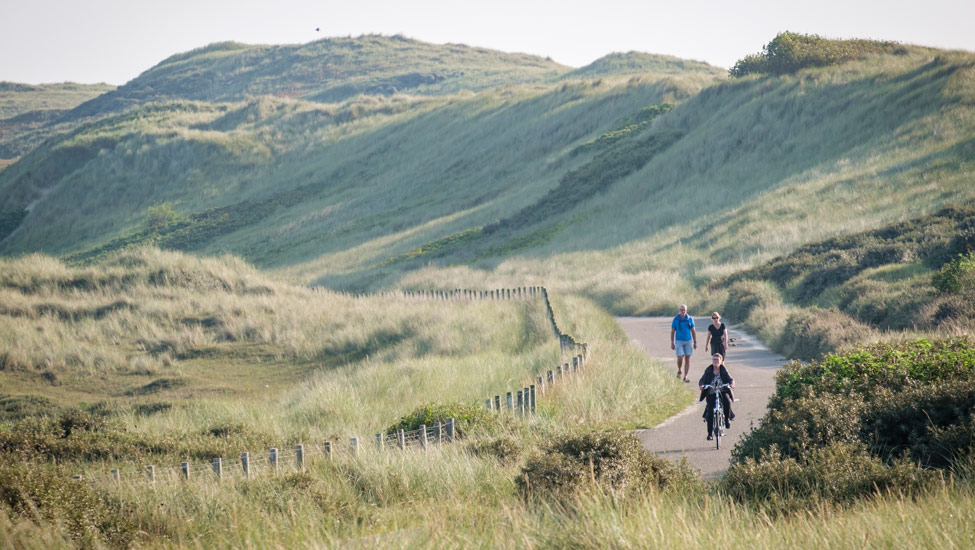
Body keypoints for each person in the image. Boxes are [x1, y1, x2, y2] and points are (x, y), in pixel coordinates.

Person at [699, 353, 735, 440]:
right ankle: (710, 433)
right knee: (710, 411)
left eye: (717, 360)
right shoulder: (708, 370)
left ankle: (726, 419)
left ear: (721, 361)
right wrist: (702, 385)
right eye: (714, 359)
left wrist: (731, 384)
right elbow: (702, 380)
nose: (715, 361)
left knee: (727, 401)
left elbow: (730, 379)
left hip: (722, 391)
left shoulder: (723, 370)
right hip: (711, 392)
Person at [670, 304, 696, 382]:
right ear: (679, 310)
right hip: (679, 341)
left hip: (688, 340)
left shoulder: (690, 319)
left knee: (687, 358)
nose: (683, 311)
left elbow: (693, 331)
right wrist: (672, 342)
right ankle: (679, 369)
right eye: (681, 310)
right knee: (680, 356)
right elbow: (672, 331)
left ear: (686, 310)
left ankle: (685, 376)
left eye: (684, 310)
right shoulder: (676, 319)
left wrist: (695, 341)